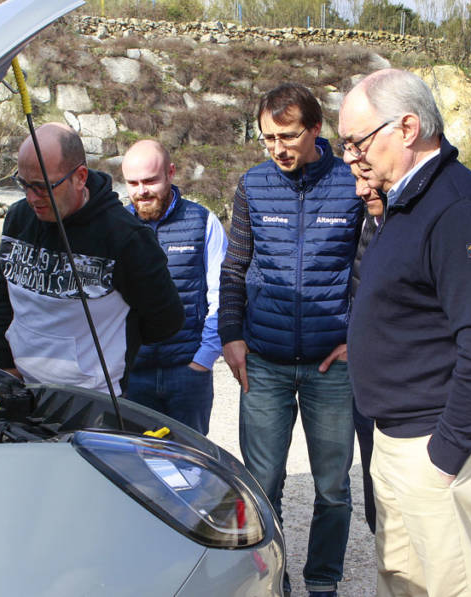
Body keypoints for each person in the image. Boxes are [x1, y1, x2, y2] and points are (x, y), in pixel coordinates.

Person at [338, 68, 471, 597]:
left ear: (408, 127)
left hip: (434, 444)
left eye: (357, 142)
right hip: (396, 437)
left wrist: (446, 458)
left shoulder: (460, 212)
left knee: (447, 585)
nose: (349, 157)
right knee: (402, 578)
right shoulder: (405, 201)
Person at [220, 82, 362, 597]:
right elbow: (234, 268)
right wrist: (231, 336)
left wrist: (357, 337)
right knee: (261, 487)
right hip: (265, 362)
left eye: (287, 135)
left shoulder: (352, 184)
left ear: (316, 129)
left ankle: (322, 582)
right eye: (267, 138)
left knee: (333, 488)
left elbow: (368, 268)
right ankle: (269, 579)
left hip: (332, 366)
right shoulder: (253, 186)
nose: (277, 148)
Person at [0, 123, 183, 395]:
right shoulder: (18, 218)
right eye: (24, 184)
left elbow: (166, 320)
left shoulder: (125, 237)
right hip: (22, 385)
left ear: (80, 177)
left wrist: (113, 346)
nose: (32, 198)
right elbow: (3, 292)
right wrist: (5, 362)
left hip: (92, 397)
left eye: (44, 186)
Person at [120, 139, 227, 435]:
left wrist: (204, 359)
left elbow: (223, 295)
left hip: (187, 374)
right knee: (133, 466)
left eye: (151, 181)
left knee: (190, 465)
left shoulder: (202, 221)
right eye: (133, 183)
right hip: (132, 376)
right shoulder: (115, 226)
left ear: (171, 172)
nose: (141, 191)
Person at [349, 164, 383, 535]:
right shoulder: (366, 221)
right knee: (378, 500)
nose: (361, 190)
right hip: (365, 383)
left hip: (409, 391)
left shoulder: (416, 225)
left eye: (370, 182)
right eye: (358, 182)